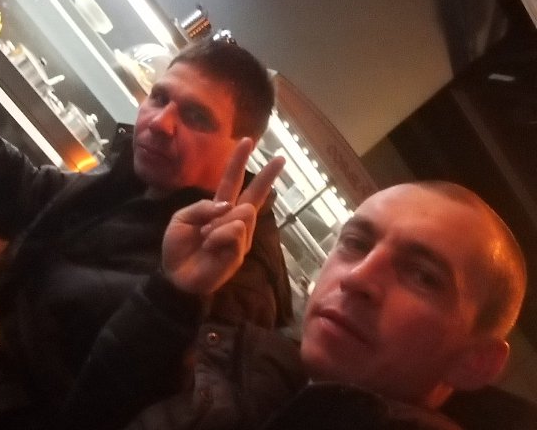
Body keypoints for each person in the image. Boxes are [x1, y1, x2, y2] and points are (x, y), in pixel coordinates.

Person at [0, 38, 293, 429]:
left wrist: (174, 297)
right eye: (159, 98)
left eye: (196, 117)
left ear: (242, 149)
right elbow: (26, 193)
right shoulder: (137, 179)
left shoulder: (233, 286)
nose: (160, 122)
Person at [99, 180, 536, 430]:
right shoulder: (251, 370)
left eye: (423, 276)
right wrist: (173, 295)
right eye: (357, 243)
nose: (357, 278)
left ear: (475, 363)